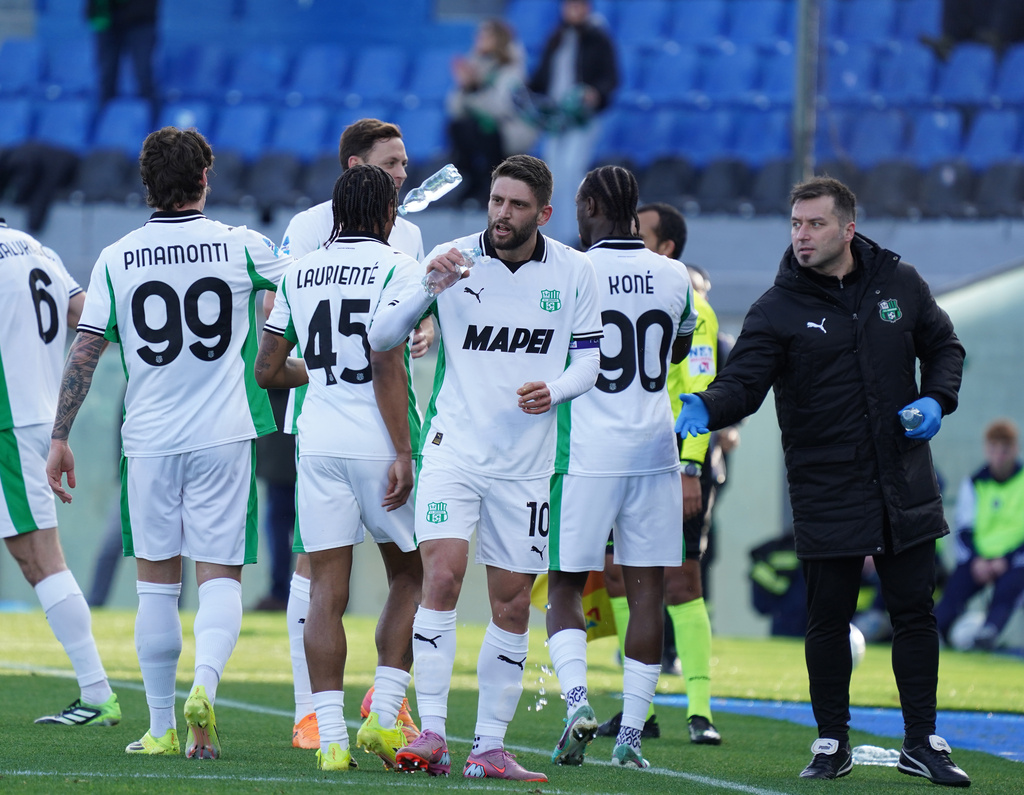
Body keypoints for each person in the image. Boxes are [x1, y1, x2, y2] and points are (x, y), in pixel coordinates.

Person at [675, 176, 971, 786]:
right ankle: (831, 741)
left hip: (902, 480)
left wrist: (938, 400)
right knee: (827, 618)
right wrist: (708, 405)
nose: (802, 236)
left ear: (847, 228)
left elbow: (946, 347)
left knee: (915, 612)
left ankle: (923, 741)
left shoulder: (901, 283)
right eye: (795, 224)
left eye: (814, 224)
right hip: (825, 484)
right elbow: (746, 382)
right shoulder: (777, 305)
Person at [46, 127, 292, 758]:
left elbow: (86, 351)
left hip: (149, 441)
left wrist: (60, 436)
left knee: (155, 586)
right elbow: (304, 289)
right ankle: (203, 686)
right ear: (205, 180)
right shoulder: (242, 246)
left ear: (146, 184)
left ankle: (159, 726)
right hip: (225, 435)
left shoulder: (116, 256)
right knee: (220, 581)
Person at [367, 153, 603, 781]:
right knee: (440, 577)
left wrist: (553, 392)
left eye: (517, 205)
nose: (502, 214)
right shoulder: (451, 258)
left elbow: (590, 363)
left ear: (543, 214)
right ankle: (435, 734)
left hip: (526, 466)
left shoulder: (577, 272)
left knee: (512, 605)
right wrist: (426, 284)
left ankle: (490, 746)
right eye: (497, 201)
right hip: (454, 451)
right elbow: (383, 333)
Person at [255, 164, 424, 772]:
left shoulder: (298, 270)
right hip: (379, 437)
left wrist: (319, 373)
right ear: (385, 216)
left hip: (318, 437)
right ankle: (382, 717)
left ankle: (328, 739)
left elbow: (267, 369)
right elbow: (387, 363)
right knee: (414, 573)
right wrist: (404, 451)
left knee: (326, 587)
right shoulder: (398, 268)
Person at [544, 166, 695, 770]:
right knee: (648, 592)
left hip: (587, 450)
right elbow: (678, 348)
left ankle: (578, 703)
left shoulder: (572, 267)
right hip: (654, 448)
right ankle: (631, 736)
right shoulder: (674, 272)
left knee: (563, 582)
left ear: (588, 206)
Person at [0, 218, 120, 728]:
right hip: (34, 412)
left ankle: (97, 692)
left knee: (39, 559)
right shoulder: (38, 250)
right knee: (37, 557)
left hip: (12, 418)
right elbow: (89, 314)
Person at [526, 0, 618, 246]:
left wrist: (595, 93)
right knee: (553, 175)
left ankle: (581, 232)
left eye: (579, 5)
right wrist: (525, 91)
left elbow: (610, 77)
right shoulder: (557, 37)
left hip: (581, 118)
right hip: (556, 118)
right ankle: (559, 235)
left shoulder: (597, 37)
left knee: (573, 171)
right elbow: (542, 76)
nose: (574, 10)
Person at [935, 418, 1024, 651]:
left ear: (1015, 449)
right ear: (987, 449)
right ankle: (935, 633)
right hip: (979, 560)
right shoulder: (974, 483)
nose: (999, 457)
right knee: (952, 596)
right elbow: (964, 529)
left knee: (1008, 590)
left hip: (1015, 561)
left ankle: (988, 633)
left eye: (1005, 451)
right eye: (994, 450)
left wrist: (1006, 560)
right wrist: (977, 561)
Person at [447, 18, 537, 206]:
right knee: (458, 127)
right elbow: (454, 108)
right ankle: (471, 181)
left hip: (510, 129)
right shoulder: (475, 65)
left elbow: (501, 108)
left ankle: (489, 185)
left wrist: (476, 88)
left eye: (485, 35)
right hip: (481, 130)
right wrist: (466, 87)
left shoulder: (512, 69)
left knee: (484, 130)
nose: (479, 39)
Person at [86, 0, 160, 112]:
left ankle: (153, 121)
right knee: (106, 77)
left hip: (140, 20)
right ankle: (106, 121)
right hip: (107, 21)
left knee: (143, 75)